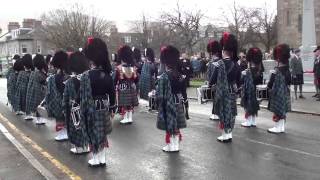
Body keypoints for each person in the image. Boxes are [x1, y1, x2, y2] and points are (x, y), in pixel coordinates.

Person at [81, 37, 115, 166]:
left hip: (90, 108)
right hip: (104, 108)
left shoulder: (85, 76)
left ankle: (95, 159)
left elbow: (82, 95)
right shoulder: (106, 75)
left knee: (93, 134)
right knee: (102, 134)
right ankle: (102, 158)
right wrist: (112, 108)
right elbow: (111, 94)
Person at [209, 32, 240, 142]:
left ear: (223, 51)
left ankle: (224, 135)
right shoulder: (236, 64)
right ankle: (229, 133)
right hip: (233, 91)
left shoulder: (219, 64)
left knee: (223, 112)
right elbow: (239, 79)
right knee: (231, 112)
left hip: (222, 91)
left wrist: (210, 85)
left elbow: (212, 80)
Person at [156, 45, 187, 152]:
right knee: (176, 125)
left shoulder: (164, 76)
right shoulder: (179, 75)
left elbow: (160, 95)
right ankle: (176, 146)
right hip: (178, 102)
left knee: (170, 125)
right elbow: (183, 92)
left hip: (168, 102)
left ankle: (171, 146)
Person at [62, 51, 90, 154]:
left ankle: (79, 148)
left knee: (76, 128)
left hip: (75, 111)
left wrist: (65, 110)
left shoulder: (70, 81)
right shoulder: (88, 78)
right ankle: (86, 146)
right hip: (88, 108)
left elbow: (65, 99)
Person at [45, 51, 69, 141]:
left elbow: (49, 94)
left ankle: (62, 133)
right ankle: (67, 132)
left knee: (59, 119)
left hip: (57, 104)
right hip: (68, 103)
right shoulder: (69, 75)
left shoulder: (54, 77)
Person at [267, 44, 292, 134]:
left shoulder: (276, 70)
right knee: (283, 110)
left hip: (277, 93)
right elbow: (289, 81)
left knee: (277, 110)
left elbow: (270, 85)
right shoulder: (287, 69)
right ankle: (282, 127)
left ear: (278, 58)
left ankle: (277, 127)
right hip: (285, 92)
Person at [115, 45, 139, 124]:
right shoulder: (133, 67)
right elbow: (136, 79)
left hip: (123, 87)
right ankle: (130, 118)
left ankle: (126, 118)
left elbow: (116, 79)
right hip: (132, 86)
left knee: (125, 104)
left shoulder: (119, 68)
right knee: (130, 104)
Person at [240, 48, 263, 127]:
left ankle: (248, 121)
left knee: (248, 106)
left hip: (249, 92)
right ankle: (253, 121)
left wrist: (242, 75)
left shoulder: (248, 71)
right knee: (254, 106)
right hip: (256, 91)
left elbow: (243, 81)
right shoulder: (259, 70)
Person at [25, 54, 47, 124]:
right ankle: (40, 118)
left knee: (38, 105)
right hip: (41, 91)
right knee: (41, 105)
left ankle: (39, 119)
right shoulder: (40, 73)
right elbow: (45, 82)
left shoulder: (33, 73)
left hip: (34, 92)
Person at [207, 40, 222, 120]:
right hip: (216, 83)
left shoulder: (216, 62)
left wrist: (209, 82)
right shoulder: (214, 61)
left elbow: (211, 74)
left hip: (216, 83)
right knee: (215, 99)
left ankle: (216, 113)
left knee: (216, 99)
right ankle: (215, 113)